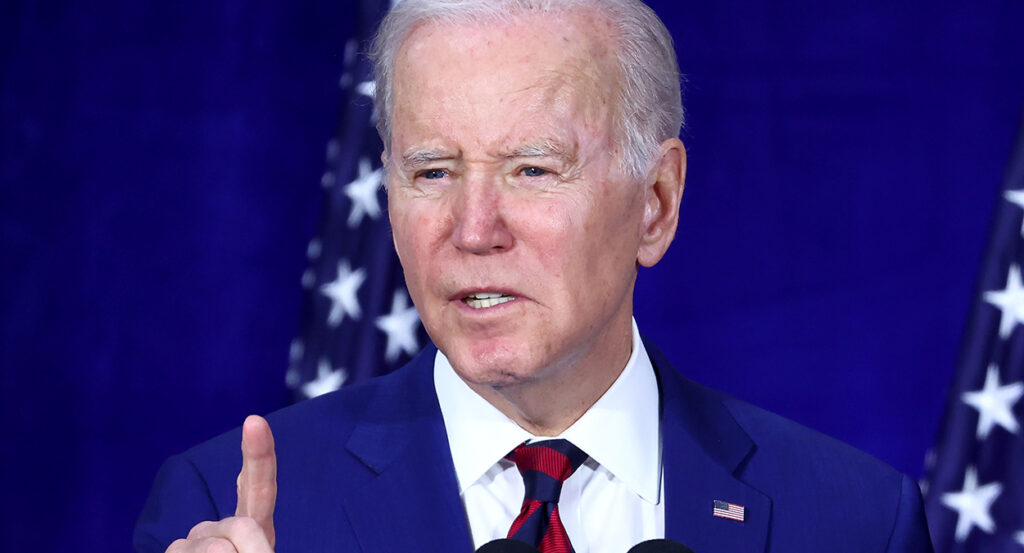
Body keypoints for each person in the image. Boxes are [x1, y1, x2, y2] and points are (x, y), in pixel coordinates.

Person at [135, 1, 934, 552]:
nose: (474, 229)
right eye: (434, 171)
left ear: (655, 204)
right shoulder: (228, 508)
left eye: (531, 169)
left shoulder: (850, 519)